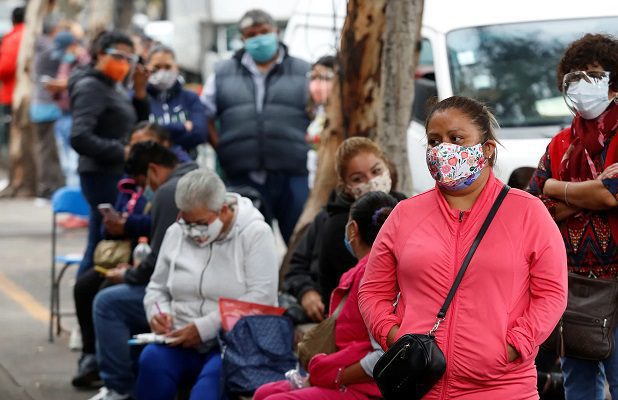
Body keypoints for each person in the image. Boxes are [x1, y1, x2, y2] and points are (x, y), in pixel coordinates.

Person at [358, 96, 568, 399]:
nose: (443, 148)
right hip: (421, 385)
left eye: (456, 138)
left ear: (487, 149)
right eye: (434, 140)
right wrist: (394, 335)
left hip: (503, 388)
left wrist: (514, 345)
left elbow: (551, 294)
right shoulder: (405, 214)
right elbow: (372, 291)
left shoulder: (528, 213)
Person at [133, 168, 278, 400]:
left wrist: (204, 328)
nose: (193, 232)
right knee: (151, 362)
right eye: (187, 222)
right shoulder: (176, 233)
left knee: (207, 392)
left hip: (232, 344)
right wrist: (158, 313)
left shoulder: (255, 234)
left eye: (200, 223)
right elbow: (156, 288)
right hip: (180, 338)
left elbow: (263, 298)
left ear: (223, 210)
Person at [527, 33, 618, 400]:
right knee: (578, 382)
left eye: (593, 75)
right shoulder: (561, 142)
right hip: (572, 284)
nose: (583, 85)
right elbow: (534, 205)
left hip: (617, 283)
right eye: (575, 76)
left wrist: (556, 186)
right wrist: (591, 191)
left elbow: (612, 195)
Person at [255, 191, 399, 399]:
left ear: (352, 229)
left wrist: (335, 376)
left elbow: (384, 355)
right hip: (348, 374)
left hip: (369, 387)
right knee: (263, 393)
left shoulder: (375, 276)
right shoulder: (365, 271)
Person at [85, 142, 198, 400]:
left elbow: (160, 260)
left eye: (142, 183)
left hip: (179, 293)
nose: (144, 191)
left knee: (106, 302)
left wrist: (127, 275)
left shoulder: (170, 192)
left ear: (153, 170)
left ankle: (119, 386)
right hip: (187, 289)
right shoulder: (195, 175)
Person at [200, 9, 311, 243]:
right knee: (247, 241)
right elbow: (204, 115)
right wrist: (222, 148)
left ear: (276, 32)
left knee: (300, 240)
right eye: (252, 34)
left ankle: (296, 281)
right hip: (243, 174)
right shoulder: (222, 72)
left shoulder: (303, 71)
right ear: (242, 39)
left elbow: (320, 114)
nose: (259, 38)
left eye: (264, 32)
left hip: (291, 173)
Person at [284, 137, 405, 323]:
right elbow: (297, 267)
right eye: (358, 178)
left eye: (376, 171)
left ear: (387, 167)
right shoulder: (329, 223)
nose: (371, 182)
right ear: (345, 185)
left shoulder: (405, 208)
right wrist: (306, 292)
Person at [69, 30, 149, 277]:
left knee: (104, 243)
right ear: (101, 54)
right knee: (101, 245)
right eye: (118, 56)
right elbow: (80, 136)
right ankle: (88, 301)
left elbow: (136, 125)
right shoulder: (91, 87)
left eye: (129, 57)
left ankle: (92, 302)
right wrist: (122, 151)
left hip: (115, 173)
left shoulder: (112, 86)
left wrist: (139, 94)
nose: (124, 63)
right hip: (101, 175)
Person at [146, 45, 207, 157]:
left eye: (168, 67)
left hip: (186, 166)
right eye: (157, 67)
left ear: (176, 68)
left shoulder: (190, 98)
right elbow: (139, 137)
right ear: (147, 68)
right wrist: (182, 126)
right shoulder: (139, 100)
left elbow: (200, 134)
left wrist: (154, 131)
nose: (162, 72)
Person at [306, 55, 336, 189]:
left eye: (325, 78)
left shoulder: (342, 117)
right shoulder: (317, 111)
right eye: (314, 77)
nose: (318, 84)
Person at [0, 6, 24, 152]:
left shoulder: (13, 39)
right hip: (30, 96)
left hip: (12, 94)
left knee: (11, 133)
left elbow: (4, 68)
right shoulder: (33, 35)